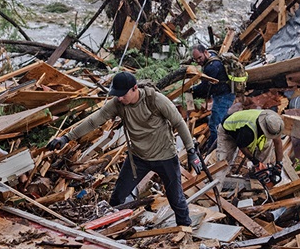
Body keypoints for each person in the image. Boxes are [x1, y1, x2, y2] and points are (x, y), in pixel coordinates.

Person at [47, 72, 202, 226]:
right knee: (117, 197)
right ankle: (115, 229)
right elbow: (94, 121)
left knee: (176, 198)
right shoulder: (118, 104)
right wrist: (66, 138)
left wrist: (191, 151)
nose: (119, 98)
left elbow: (179, 123)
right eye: (117, 95)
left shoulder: (155, 100)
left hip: (165, 156)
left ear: (134, 88)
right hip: (138, 158)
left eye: (122, 94)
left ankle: (185, 229)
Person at [190, 44, 235, 152]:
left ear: (205, 52)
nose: (198, 62)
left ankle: (213, 150)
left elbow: (204, 88)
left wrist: (191, 91)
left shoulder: (212, 66)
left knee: (214, 125)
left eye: (200, 58)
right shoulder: (212, 56)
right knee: (218, 120)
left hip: (223, 97)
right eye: (196, 60)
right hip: (222, 95)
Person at [217, 109, 284, 169]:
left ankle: (260, 172)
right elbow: (242, 146)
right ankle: (217, 181)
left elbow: (278, 142)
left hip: (247, 131)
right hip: (228, 129)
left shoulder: (274, 123)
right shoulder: (248, 131)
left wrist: (279, 163)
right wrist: (255, 161)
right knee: (224, 162)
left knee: (267, 144)